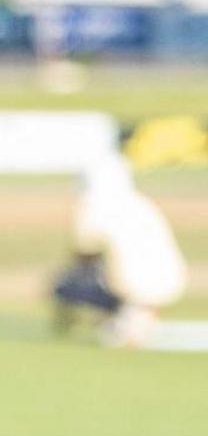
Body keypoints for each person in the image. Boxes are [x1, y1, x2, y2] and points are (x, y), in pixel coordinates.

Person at [51, 148, 187, 348]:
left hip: (132, 285)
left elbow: (84, 253)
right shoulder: (140, 202)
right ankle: (132, 318)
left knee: (67, 284)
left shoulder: (93, 205)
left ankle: (117, 320)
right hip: (170, 279)